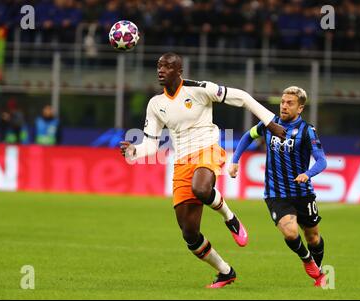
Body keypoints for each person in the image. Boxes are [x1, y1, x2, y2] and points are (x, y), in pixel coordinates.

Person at [120, 52, 286, 288]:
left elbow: (243, 97)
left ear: (179, 71)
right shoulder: (155, 104)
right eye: (159, 66)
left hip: (207, 149)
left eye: (167, 66)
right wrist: (134, 151)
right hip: (181, 162)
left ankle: (230, 218)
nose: (161, 70)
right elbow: (151, 144)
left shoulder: (199, 90)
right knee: (189, 233)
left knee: (201, 188)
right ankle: (225, 272)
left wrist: (270, 122)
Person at [228, 86, 327, 287]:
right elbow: (248, 136)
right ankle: (307, 261)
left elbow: (321, 161)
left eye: (290, 103)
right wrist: (235, 160)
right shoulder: (269, 123)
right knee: (290, 232)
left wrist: (307, 174)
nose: (284, 106)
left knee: (313, 237)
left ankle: (318, 271)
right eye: (282, 102)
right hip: (276, 193)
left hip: (303, 194)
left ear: (300, 108)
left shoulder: (307, 131)